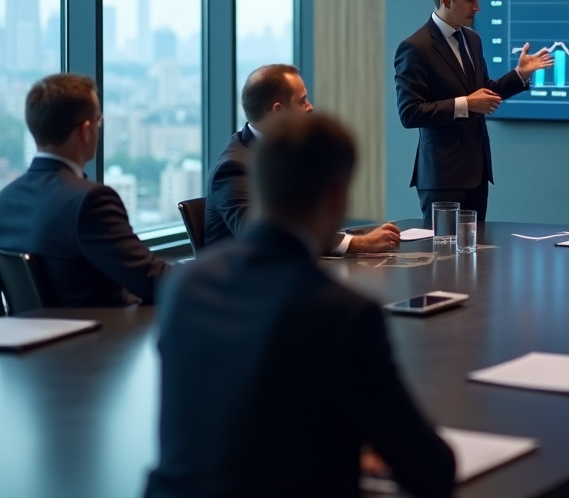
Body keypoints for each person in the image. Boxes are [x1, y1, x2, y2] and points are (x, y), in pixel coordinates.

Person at [145, 112, 455, 498]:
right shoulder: (341, 312)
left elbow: (233, 417)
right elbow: (430, 470)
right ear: (337, 197)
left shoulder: (184, 285)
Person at [394, 0, 552, 223]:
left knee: (475, 254)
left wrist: (519, 75)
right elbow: (410, 113)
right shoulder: (415, 47)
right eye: (470, 0)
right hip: (442, 177)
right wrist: (465, 104)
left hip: (477, 172)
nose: (477, 7)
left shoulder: (472, 39)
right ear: (446, 0)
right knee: (443, 258)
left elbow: (483, 93)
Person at [0, 73, 169, 306]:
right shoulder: (90, 201)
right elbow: (151, 281)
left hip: (36, 339)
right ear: (86, 129)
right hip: (103, 337)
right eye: (100, 121)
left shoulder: (5, 199)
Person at [204, 64, 400, 252]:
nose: (310, 107)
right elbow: (264, 238)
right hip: (246, 282)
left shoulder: (288, 151)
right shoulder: (232, 167)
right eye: (302, 101)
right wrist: (359, 243)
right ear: (278, 110)